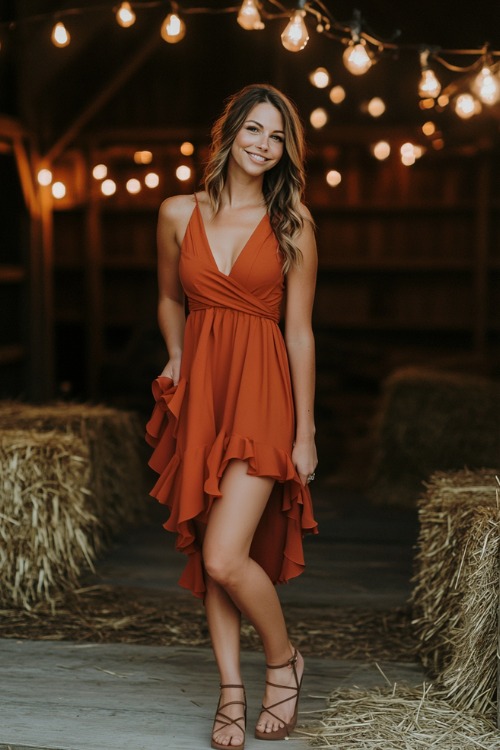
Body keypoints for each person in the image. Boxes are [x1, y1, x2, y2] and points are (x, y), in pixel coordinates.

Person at [145, 83, 318, 749]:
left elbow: (300, 333)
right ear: (231, 131)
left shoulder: (293, 223)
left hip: (264, 395)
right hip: (205, 396)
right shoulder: (175, 212)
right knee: (212, 547)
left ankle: (283, 664)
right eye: (254, 129)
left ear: (286, 151)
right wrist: (176, 355)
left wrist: (305, 431)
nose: (262, 145)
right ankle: (230, 692)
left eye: (276, 137)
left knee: (224, 555)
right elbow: (167, 298)